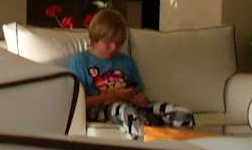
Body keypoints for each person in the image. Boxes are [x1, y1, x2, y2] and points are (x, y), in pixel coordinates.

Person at [64, 8, 195, 140]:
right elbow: (74, 104)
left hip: (133, 106)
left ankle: (176, 146)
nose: (114, 47)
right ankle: (146, 144)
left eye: (118, 43)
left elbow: (139, 92)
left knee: (182, 113)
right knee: (126, 112)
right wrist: (111, 96)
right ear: (95, 38)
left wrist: (140, 97)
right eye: (108, 42)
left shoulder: (126, 61)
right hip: (100, 109)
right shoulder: (79, 62)